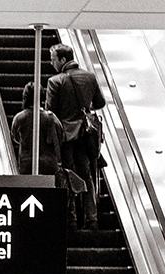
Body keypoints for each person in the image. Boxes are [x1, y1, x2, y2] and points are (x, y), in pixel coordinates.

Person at [44, 43, 106, 228]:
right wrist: (84, 110)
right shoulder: (89, 77)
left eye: (53, 59)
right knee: (86, 174)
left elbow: (50, 112)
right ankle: (91, 218)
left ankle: (70, 218)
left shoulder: (55, 81)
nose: (51, 62)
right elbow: (100, 102)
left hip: (65, 137)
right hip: (86, 135)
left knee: (67, 174)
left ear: (63, 60)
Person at [9, 81, 60, 177]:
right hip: (49, 162)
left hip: (27, 162)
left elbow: (14, 137)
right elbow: (60, 135)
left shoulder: (19, 117)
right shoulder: (51, 117)